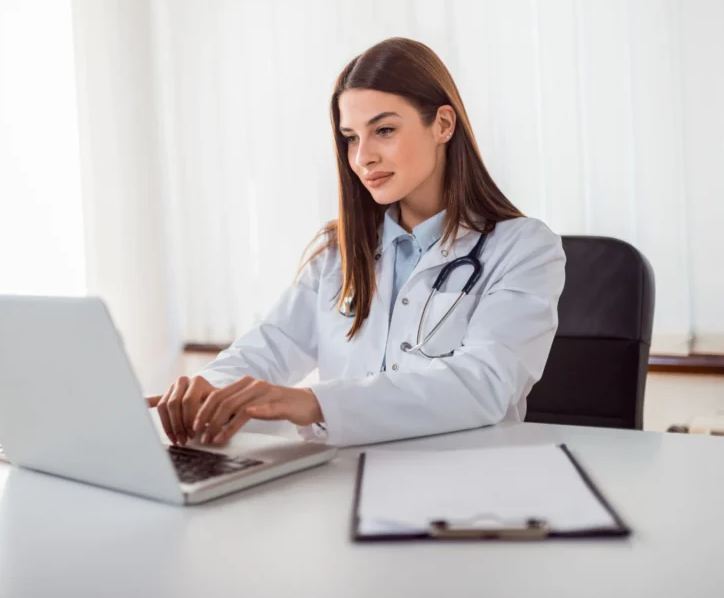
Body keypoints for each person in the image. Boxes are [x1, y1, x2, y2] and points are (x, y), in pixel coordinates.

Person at [148, 37, 566, 448]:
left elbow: (485, 385)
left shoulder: (523, 249)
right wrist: (209, 389)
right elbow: (272, 344)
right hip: (346, 477)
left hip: (464, 481)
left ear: (442, 124)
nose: (363, 157)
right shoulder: (340, 251)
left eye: (383, 130)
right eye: (351, 137)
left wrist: (316, 403)